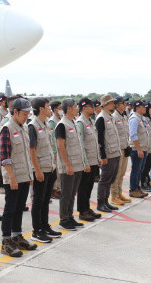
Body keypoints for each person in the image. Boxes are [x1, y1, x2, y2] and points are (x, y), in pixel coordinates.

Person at [0, 97, 37, 257]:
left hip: (23, 174)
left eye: (28, 114)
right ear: (15, 112)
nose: (27, 116)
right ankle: (6, 241)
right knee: (10, 209)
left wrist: (30, 173)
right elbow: (5, 155)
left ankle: (17, 235)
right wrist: (11, 177)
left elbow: (26, 154)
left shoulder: (23, 127)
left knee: (19, 208)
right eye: (24, 113)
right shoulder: (7, 128)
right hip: (13, 177)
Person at [28, 97, 61, 242]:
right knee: (38, 201)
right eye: (48, 107)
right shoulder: (32, 126)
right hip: (41, 169)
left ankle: (45, 226)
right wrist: (37, 170)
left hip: (50, 167)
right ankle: (37, 230)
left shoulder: (45, 123)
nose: (50, 109)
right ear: (41, 109)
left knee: (46, 199)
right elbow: (32, 150)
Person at [56, 98, 86, 230]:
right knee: (66, 194)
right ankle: (64, 219)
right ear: (68, 109)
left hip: (77, 164)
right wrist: (67, 164)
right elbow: (61, 146)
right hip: (69, 165)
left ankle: (70, 217)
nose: (77, 108)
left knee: (72, 193)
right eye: (75, 106)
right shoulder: (62, 125)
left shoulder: (73, 122)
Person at [76, 98, 102, 222]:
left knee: (89, 186)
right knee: (83, 187)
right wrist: (85, 162)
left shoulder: (90, 121)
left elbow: (94, 142)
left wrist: (98, 158)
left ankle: (87, 208)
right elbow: (81, 144)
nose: (93, 108)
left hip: (93, 160)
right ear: (84, 108)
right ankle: (82, 211)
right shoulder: (80, 122)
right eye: (91, 106)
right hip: (86, 162)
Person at [95, 94, 121, 211]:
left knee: (111, 178)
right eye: (111, 103)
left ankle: (106, 201)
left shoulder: (111, 117)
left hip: (115, 152)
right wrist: (103, 156)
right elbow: (99, 139)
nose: (114, 105)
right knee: (105, 179)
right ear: (105, 105)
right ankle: (101, 203)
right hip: (108, 154)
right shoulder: (101, 118)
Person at [110, 97, 131, 205]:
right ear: (117, 105)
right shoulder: (114, 117)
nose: (125, 105)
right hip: (118, 149)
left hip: (125, 147)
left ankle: (119, 193)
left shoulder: (123, 116)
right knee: (117, 174)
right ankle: (114, 195)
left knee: (122, 173)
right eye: (123, 103)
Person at [128, 100, 149, 198]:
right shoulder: (134, 119)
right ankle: (133, 189)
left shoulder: (141, 118)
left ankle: (137, 188)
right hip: (137, 149)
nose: (145, 108)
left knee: (140, 170)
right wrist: (139, 149)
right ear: (138, 108)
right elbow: (133, 135)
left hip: (143, 148)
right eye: (143, 107)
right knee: (136, 170)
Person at [48, 100, 63, 199]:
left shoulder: (61, 119)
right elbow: (52, 137)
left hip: (61, 150)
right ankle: (54, 190)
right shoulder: (52, 121)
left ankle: (59, 188)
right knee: (56, 172)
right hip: (55, 151)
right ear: (55, 110)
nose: (62, 110)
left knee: (60, 171)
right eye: (60, 108)